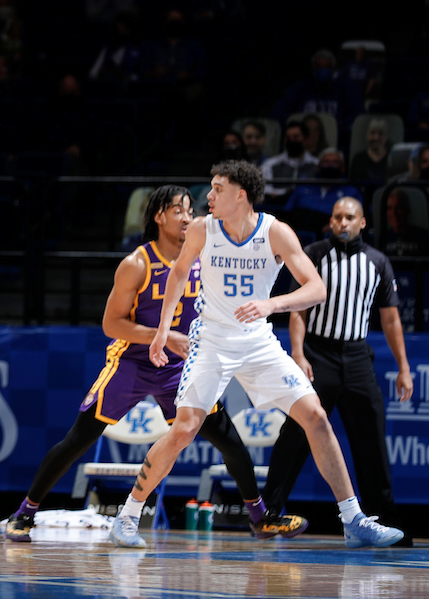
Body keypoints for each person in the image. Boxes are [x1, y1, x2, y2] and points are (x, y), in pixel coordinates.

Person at [108, 161, 404, 549]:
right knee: (184, 428)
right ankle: (127, 516)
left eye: (217, 189)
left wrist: (271, 304)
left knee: (315, 416)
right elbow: (178, 275)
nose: (209, 196)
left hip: (258, 341)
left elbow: (316, 288)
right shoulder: (203, 229)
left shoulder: (275, 232)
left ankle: (353, 520)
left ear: (240, 195)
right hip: (212, 340)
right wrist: (163, 330)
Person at [4, 186, 306, 542]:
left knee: (229, 441)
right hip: (131, 362)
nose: (188, 217)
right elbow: (111, 324)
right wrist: (162, 337)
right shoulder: (137, 263)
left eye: (190, 210)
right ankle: (24, 513)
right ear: (159, 217)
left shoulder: (204, 255)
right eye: (179, 210)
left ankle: (260, 518)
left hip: (178, 367)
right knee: (78, 439)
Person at [261, 197, 414, 546]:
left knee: (372, 438)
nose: (342, 223)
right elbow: (297, 310)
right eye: (337, 217)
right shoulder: (314, 254)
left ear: (363, 223)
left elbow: (391, 319)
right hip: (318, 354)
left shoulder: (377, 261)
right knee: (296, 432)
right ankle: (268, 512)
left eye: (349, 217)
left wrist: (404, 367)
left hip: (357, 356)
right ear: (330, 222)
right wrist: (298, 353)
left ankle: (383, 521)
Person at [260, 121, 318, 201]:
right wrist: (287, 192)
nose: (292, 140)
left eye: (296, 137)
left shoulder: (316, 164)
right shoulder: (271, 164)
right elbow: (266, 190)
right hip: (278, 204)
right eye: (288, 138)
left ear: (306, 140)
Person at [380, 187, 429, 257]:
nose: (394, 213)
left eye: (398, 207)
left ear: (406, 209)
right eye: (389, 208)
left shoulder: (423, 236)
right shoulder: (384, 237)